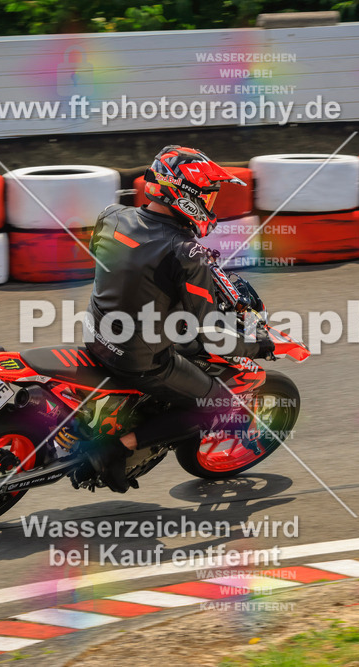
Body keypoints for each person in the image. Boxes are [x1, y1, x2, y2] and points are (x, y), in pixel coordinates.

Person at [83, 145, 293, 493]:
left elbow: (128, 267)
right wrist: (260, 345)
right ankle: (117, 448)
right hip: (139, 359)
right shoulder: (186, 251)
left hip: (96, 333)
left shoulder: (112, 214)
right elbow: (212, 336)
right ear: (186, 196)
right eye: (208, 197)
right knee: (219, 404)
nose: (210, 205)